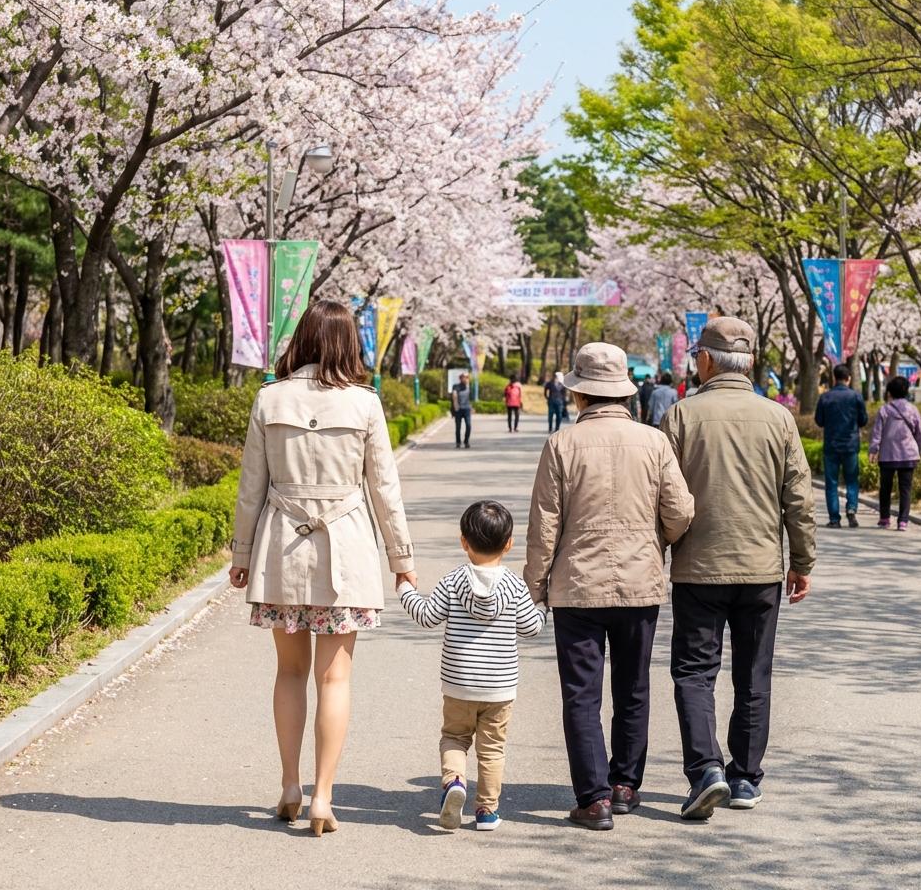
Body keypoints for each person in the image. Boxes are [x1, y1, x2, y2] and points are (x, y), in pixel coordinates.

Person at [229, 300, 416, 837]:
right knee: (335, 677)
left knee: (289, 671)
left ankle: (290, 784)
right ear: (347, 343)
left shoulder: (270, 398)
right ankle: (323, 798)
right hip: (346, 553)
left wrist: (241, 555)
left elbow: (251, 487)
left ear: (304, 339)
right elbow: (384, 490)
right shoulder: (365, 404)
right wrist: (402, 561)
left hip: (281, 550)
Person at [526, 342, 695, 831]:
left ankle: (594, 798)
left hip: (576, 587)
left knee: (582, 693)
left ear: (578, 395)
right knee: (633, 686)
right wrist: (652, 541)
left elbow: (544, 528)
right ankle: (625, 784)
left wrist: (534, 589)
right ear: (623, 392)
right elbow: (681, 511)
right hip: (640, 584)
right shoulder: (654, 442)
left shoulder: (561, 445)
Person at [660, 317, 816, 819]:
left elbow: (663, 497)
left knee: (694, 672)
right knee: (753, 674)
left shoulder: (681, 417)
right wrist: (802, 560)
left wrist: (662, 548)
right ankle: (745, 777)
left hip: (698, 567)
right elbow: (798, 497)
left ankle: (706, 769)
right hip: (761, 567)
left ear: (705, 360)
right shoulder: (779, 418)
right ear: (749, 363)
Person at [398, 501, 545, 832]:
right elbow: (531, 627)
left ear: (463, 541)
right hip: (499, 687)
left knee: (454, 737)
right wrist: (543, 607)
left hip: (459, 682)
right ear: (509, 544)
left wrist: (404, 590)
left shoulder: (454, 580)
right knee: (492, 749)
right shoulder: (514, 585)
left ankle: (454, 783)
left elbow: (426, 616)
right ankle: (486, 812)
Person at [814, 363, 869, 528]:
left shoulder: (825, 397)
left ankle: (834, 519)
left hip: (831, 445)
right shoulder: (856, 396)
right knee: (852, 480)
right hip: (851, 445)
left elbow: (819, 421)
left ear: (834, 378)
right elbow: (863, 420)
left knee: (831, 482)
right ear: (848, 378)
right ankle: (851, 508)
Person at [868, 375, 921, 531]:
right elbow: (919, 433)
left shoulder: (885, 410)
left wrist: (873, 450)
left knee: (885, 488)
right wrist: (920, 449)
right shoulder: (913, 410)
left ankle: (885, 518)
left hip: (887, 455)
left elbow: (877, 433)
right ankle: (903, 521)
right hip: (908, 455)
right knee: (905, 489)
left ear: (890, 392)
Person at [452, 372, 472, 449]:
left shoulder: (469, 386)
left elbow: (470, 398)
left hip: (467, 409)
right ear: (460, 378)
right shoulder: (456, 386)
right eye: (464, 377)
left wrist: (471, 407)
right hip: (459, 410)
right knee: (458, 427)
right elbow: (454, 395)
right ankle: (458, 442)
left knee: (468, 425)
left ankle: (466, 441)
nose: (466, 379)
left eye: (467, 377)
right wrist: (455, 406)